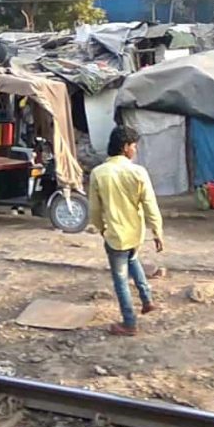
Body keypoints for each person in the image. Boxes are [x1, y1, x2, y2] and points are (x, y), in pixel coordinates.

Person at [89, 126, 165, 336]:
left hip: (115, 236)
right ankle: (147, 299)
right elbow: (150, 205)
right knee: (133, 259)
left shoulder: (98, 173)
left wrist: (101, 228)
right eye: (134, 146)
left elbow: (94, 209)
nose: (135, 150)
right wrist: (157, 232)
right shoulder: (138, 172)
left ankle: (129, 323)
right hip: (135, 234)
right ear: (125, 148)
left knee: (120, 280)